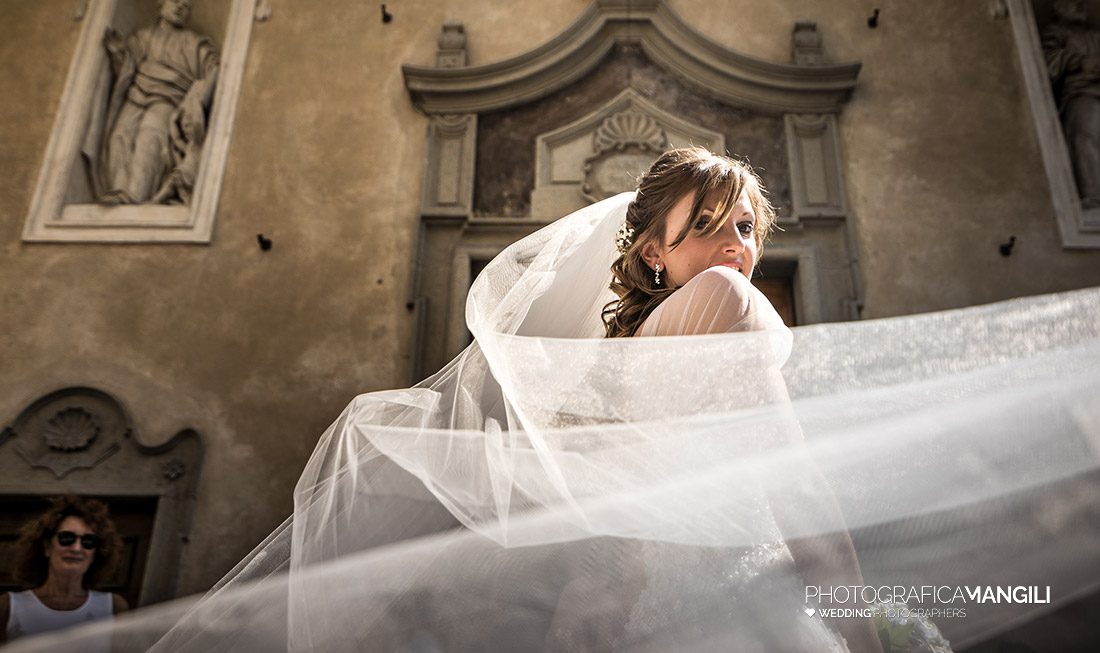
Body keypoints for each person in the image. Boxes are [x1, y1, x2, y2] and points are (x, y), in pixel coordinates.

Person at [9, 151, 1099, 652]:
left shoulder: (620, 351)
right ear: (656, 253)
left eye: (749, 225)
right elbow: (785, 469)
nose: (736, 245)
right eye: (710, 225)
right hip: (734, 598)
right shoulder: (718, 300)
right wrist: (856, 604)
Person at [86, 0, 220, 205]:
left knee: (150, 139)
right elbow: (125, 72)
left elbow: (214, 69)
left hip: (169, 98)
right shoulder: (142, 37)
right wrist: (119, 53)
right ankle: (118, 190)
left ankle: (136, 195)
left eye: (186, 7)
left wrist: (198, 97)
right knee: (119, 137)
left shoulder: (194, 42)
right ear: (161, 4)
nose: (180, 8)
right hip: (136, 94)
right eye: (175, 1)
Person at [0, 495, 128, 647]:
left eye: (88, 541)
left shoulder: (113, 607)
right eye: (66, 538)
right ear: (47, 547)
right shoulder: (8, 606)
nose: (76, 548)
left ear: (96, 553)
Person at [1042, 0, 1100, 209]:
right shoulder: (1056, 33)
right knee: (1086, 136)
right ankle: (1093, 194)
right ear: (1058, 8)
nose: (1080, 3)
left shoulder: (1096, 36)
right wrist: (1078, 61)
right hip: (1081, 94)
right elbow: (1048, 61)